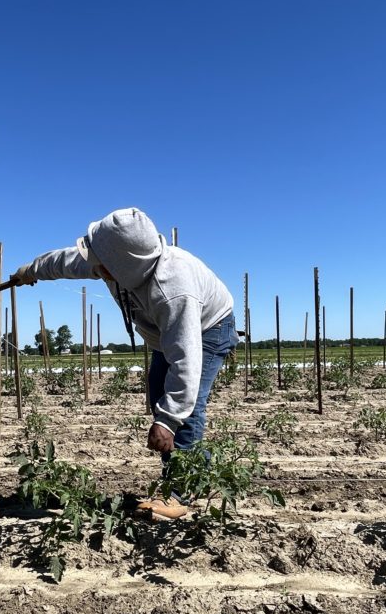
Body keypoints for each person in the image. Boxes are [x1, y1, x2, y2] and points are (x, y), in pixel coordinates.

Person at [14, 207, 237, 520]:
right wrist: (30, 270)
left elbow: (186, 360)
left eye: (99, 261)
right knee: (159, 396)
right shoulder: (111, 261)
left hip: (208, 328)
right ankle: (196, 471)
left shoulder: (174, 290)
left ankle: (181, 493)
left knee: (185, 409)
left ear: (122, 264)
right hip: (165, 334)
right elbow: (65, 262)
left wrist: (168, 420)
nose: (94, 265)